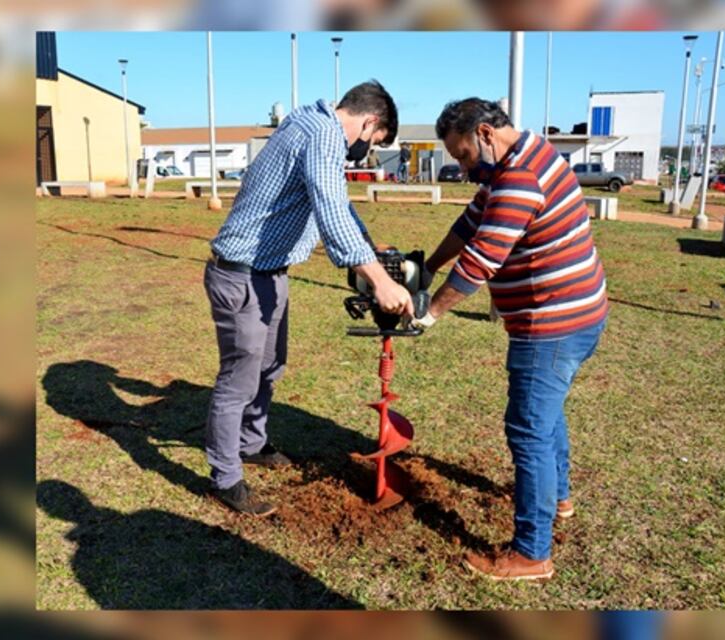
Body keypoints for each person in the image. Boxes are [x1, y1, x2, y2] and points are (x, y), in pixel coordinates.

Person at [410, 98, 608, 580]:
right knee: (546, 414)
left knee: (527, 430)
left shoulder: (518, 178)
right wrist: (427, 267)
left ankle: (532, 554)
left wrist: (430, 313)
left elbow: (481, 260)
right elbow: (469, 224)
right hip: (580, 312)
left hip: (553, 324)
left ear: (484, 133)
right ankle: (558, 498)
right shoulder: (525, 155)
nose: (461, 167)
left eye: (462, 155)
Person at [204, 80, 414, 517]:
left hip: (270, 273)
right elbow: (331, 209)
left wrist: (371, 252)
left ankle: (252, 443)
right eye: (372, 142)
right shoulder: (322, 133)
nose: (366, 151)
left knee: (270, 366)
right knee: (238, 381)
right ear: (371, 121)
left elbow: (338, 202)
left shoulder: (311, 124)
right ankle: (225, 477)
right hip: (241, 277)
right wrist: (379, 280)